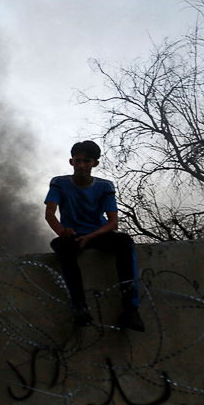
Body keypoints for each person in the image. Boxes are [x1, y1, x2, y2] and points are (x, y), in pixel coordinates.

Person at [45, 140, 144, 331]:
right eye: (78, 160)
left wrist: (88, 238)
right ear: (71, 161)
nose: (82, 165)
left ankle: (131, 309)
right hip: (71, 236)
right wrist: (62, 232)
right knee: (64, 249)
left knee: (124, 241)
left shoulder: (105, 186)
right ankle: (80, 307)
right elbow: (50, 214)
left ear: (95, 164)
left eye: (87, 161)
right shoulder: (59, 183)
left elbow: (113, 222)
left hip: (98, 234)